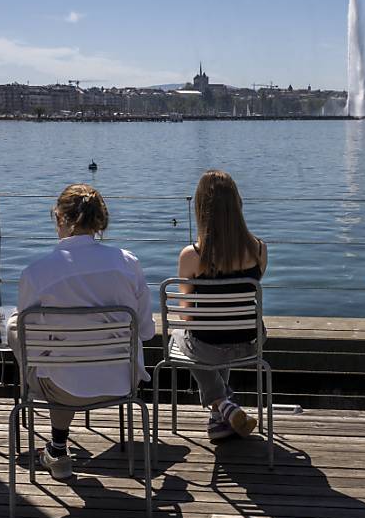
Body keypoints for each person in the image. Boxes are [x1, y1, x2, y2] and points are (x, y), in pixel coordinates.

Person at [14, 184, 154, 480]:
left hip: (61, 387)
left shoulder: (37, 272)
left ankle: (58, 449)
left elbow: (31, 343)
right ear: (100, 221)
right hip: (122, 382)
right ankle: (57, 448)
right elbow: (145, 331)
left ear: (60, 218)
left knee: (19, 329)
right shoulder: (129, 263)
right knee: (61, 360)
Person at [175, 169, 267, 442]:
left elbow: (186, 314)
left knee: (182, 337)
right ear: (238, 204)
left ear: (201, 208)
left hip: (208, 344)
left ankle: (222, 403)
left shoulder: (192, 256)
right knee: (214, 335)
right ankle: (220, 419)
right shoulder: (259, 250)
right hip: (250, 342)